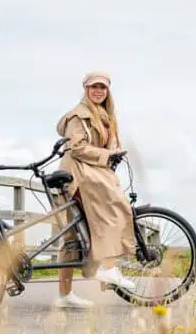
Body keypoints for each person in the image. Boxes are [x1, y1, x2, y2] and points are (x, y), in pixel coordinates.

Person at [52, 71, 137, 309]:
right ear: (85, 89)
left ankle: (64, 296)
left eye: (102, 87)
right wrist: (106, 155)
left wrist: (113, 152)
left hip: (90, 173)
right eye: (93, 87)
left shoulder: (103, 116)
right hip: (78, 176)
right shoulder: (78, 116)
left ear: (108, 91)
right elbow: (77, 147)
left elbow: (98, 146)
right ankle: (108, 268)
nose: (98, 91)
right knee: (110, 210)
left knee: (72, 237)